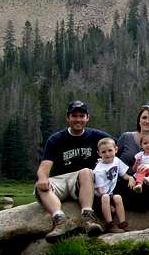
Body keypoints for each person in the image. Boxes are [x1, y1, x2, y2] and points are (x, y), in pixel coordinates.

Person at [35, 100, 113, 241]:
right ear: (68, 117)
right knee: (39, 186)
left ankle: (87, 220)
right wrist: (42, 178)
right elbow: (44, 167)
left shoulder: (97, 136)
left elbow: (120, 147)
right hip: (60, 180)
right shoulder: (56, 139)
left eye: (81, 116)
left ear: (87, 118)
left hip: (81, 182)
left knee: (86, 172)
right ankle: (60, 221)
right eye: (74, 116)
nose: (78, 119)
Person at [93, 137, 137, 234]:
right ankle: (110, 224)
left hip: (110, 193)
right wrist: (110, 205)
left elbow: (123, 174)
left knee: (117, 197)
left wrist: (130, 178)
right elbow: (100, 189)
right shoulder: (99, 169)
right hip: (99, 195)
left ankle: (122, 223)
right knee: (105, 197)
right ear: (99, 153)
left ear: (116, 150)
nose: (107, 154)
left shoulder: (116, 160)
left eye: (110, 150)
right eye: (104, 152)